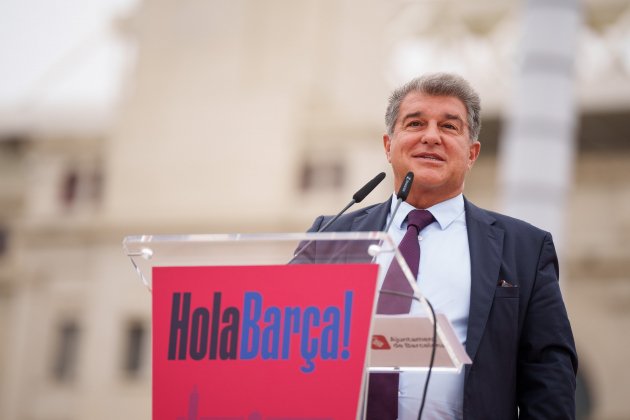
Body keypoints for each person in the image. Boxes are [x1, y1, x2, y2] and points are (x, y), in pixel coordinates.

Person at [304, 73, 578, 419]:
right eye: (415, 123)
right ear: (388, 145)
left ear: (472, 153)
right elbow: (283, 344)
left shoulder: (524, 247)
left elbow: (548, 374)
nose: (430, 136)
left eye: (449, 127)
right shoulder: (331, 237)